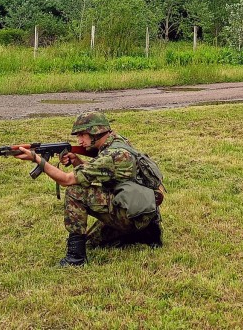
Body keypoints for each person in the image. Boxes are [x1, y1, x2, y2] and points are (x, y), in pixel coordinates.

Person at [11, 111, 165, 266]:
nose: (79, 140)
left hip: (131, 215)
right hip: (142, 212)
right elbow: (102, 172)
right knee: (92, 241)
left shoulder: (111, 156)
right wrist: (77, 161)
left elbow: (67, 180)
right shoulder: (118, 141)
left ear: (95, 132)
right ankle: (145, 234)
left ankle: (75, 258)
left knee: (75, 191)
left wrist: (37, 160)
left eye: (82, 135)